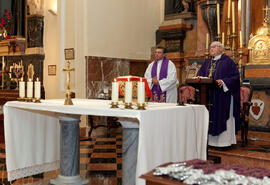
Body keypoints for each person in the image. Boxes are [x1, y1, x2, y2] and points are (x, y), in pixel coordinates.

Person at [198, 41, 241, 148]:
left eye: (214, 47)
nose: (211, 49)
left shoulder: (228, 62)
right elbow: (200, 76)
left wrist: (223, 81)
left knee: (222, 116)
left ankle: (223, 143)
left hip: (223, 96)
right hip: (209, 96)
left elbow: (235, 78)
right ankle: (210, 142)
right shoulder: (207, 62)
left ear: (220, 49)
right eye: (210, 47)